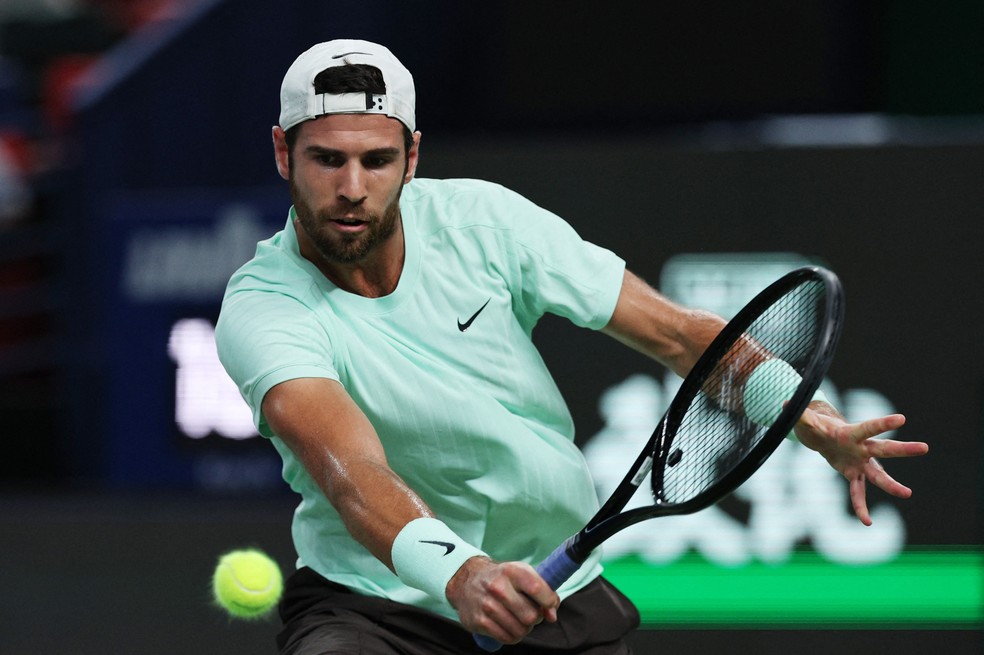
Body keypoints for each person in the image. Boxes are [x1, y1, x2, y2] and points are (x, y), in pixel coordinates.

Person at [215, 39, 929, 654]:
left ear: (412, 157)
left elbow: (676, 332)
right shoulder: (264, 305)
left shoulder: (485, 223)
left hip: (554, 586)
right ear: (283, 152)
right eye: (325, 160)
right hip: (375, 606)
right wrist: (462, 573)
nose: (351, 188)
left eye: (375, 160)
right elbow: (352, 472)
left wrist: (801, 412)